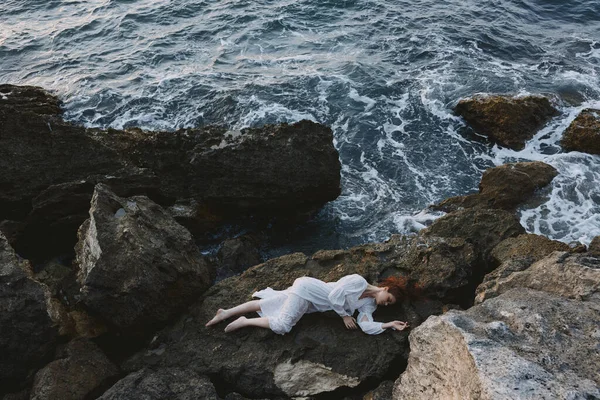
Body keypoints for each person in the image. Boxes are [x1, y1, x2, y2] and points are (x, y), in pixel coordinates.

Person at [205, 274, 411, 335]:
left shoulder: (370, 305)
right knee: (283, 325)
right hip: (308, 291)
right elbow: (334, 297)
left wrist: (388, 324)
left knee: (267, 304)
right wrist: (344, 316)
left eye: (388, 306)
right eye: (389, 300)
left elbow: (366, 324)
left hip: (311, 301)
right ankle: (243, 321)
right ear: (385, 289)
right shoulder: (358, 281)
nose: (385, 304)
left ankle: (226, 312)